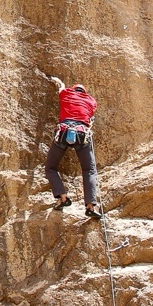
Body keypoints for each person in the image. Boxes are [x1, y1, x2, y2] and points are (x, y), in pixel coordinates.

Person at [44, 78, 102, 219]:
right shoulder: (91, 101)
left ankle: (62, 198)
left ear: (74, 89)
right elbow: (90, 116)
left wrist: (59, 82)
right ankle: (90, 206)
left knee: (51, 167)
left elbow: (61, 87)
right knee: (89, 169)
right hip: (82, 134)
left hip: (64, 132)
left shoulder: (67, 94)